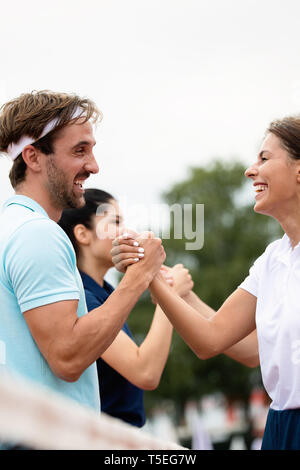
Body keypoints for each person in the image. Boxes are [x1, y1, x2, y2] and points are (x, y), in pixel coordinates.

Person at [111, 115, 300, 450]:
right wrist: (150, 275)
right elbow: (210, 339)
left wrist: (151, 275)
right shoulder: (273, 259)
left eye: (264, 158)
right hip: (280, 427)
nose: (250, 169)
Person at [0, 90, 165, 415]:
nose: (94, 166)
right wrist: (139, 277)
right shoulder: (37, 233)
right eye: (79, 151)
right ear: (32, 157)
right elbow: (68, 357)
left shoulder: (12, 225)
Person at [58, 188, 193, 427]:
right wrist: (171, 297)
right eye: (115, 222)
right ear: (83, 234)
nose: (127, 233)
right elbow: (145, 372)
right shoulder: (83, 299)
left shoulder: (106, 293)